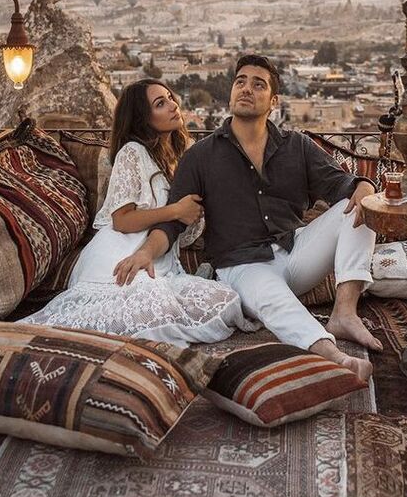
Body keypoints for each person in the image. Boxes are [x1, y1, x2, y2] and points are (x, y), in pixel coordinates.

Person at [114, 55, 380, 381]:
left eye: (258, 84)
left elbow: (343, 184)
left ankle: (344, 313)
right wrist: (144, 252)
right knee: (271, 298)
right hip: (241, 264)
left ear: (274, 100)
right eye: (240, 81)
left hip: (295, 250)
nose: (246, 89)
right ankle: (331, 355)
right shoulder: (200, 156)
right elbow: (172, 222)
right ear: (231, 91)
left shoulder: (297, 146)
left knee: (362, 207)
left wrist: (365, 185)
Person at [21, 79, 257, 346]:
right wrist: (175, 210)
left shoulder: (180, 156)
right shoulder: (132, 153)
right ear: (143, 119)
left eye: (169, 97)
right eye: (160, 103)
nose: (173, 105)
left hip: (160, 259)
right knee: (149, 317)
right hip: (119, 251)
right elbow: (121, 220)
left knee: (224, 302)